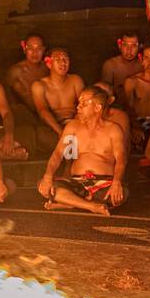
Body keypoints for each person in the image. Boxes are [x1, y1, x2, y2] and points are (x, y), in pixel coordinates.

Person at [36, 86, 127, 215]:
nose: (78, 107)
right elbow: (58, 153)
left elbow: (121, 159)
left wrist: (117, 182)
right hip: (76, 183)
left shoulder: (114, 130)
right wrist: (48, 175)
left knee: (118, 197)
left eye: (84, 104)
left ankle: (71, 203)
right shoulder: (72, 126)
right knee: (44, 185)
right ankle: (91, 206)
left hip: (103, 183)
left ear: (97, 108)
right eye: (79, 103)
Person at [30, 47, 84, 154]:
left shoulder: (75, 80)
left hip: (75, 124)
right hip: (53, 128)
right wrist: (61, 132)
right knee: (42, 136)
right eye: (57, 59)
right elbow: (42, 111)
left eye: (65, 59)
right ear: (49, 64)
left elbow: (84, 105)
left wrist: (73, 126)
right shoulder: (39, 86)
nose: (62, 62)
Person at [6, 35, 48, 155]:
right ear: (24, 49)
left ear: (44, 50)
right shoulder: (16, 70)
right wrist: (13, 106)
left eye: (38, 48)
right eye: (31, 48)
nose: (35, 53)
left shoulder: (48, 68)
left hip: (46, 112)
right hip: (27, 113)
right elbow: (5, 90)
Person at [100, 33, 143, 106]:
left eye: (134, 45)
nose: (129, 50)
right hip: (117, 108)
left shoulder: (143, 65)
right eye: (125, 45)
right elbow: (105, 93)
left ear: (140, 46)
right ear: (120, 45)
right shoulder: (110, 65)